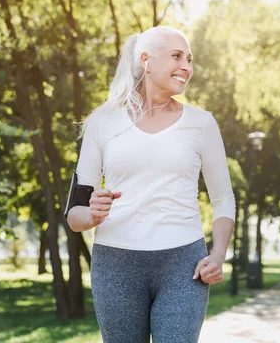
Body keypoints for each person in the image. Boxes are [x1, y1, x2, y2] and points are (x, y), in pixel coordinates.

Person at [66, 26, 235, 343]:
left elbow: (224, 200)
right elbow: (75, 213)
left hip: (184, 265)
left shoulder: (202, 123)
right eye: (177, 56)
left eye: (189, 59)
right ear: (146, 60)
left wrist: (218, 254)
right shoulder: (104, 122)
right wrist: (92, 215)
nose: (186, 66)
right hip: (116, 264)